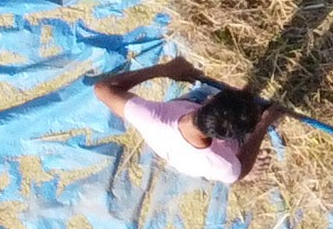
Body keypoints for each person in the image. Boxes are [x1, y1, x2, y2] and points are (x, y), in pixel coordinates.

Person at [91, 58, 283, 187]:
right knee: (236, 169)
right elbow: (237, 175)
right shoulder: (222, 163)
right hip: (205, 162)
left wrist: (164, 69)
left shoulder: (152, 117)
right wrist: (263, 125)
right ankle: (244, 154)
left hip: (180, 150)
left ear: (209, 101)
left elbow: (102, 88)